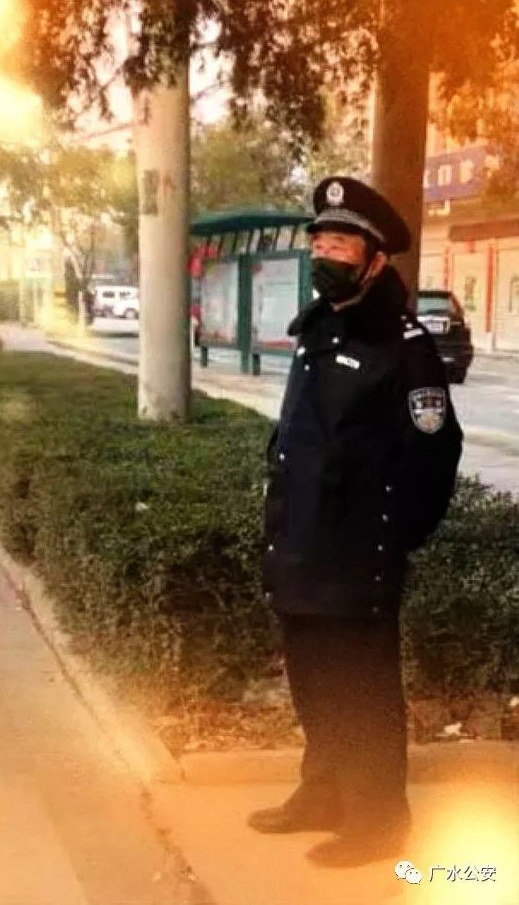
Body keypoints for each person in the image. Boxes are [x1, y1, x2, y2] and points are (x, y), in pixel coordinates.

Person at [248, 177, 463, 868]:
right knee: (314, 682)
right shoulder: (318, 327)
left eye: (339, 243)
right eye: (319, 241)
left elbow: (434, 452)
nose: (324, 253)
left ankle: (377, 821)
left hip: (357, 558)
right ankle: (322, 792)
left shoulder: (404, 345)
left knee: (362, 691)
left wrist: (392, 539)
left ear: (375, 258)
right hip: (302, 546)